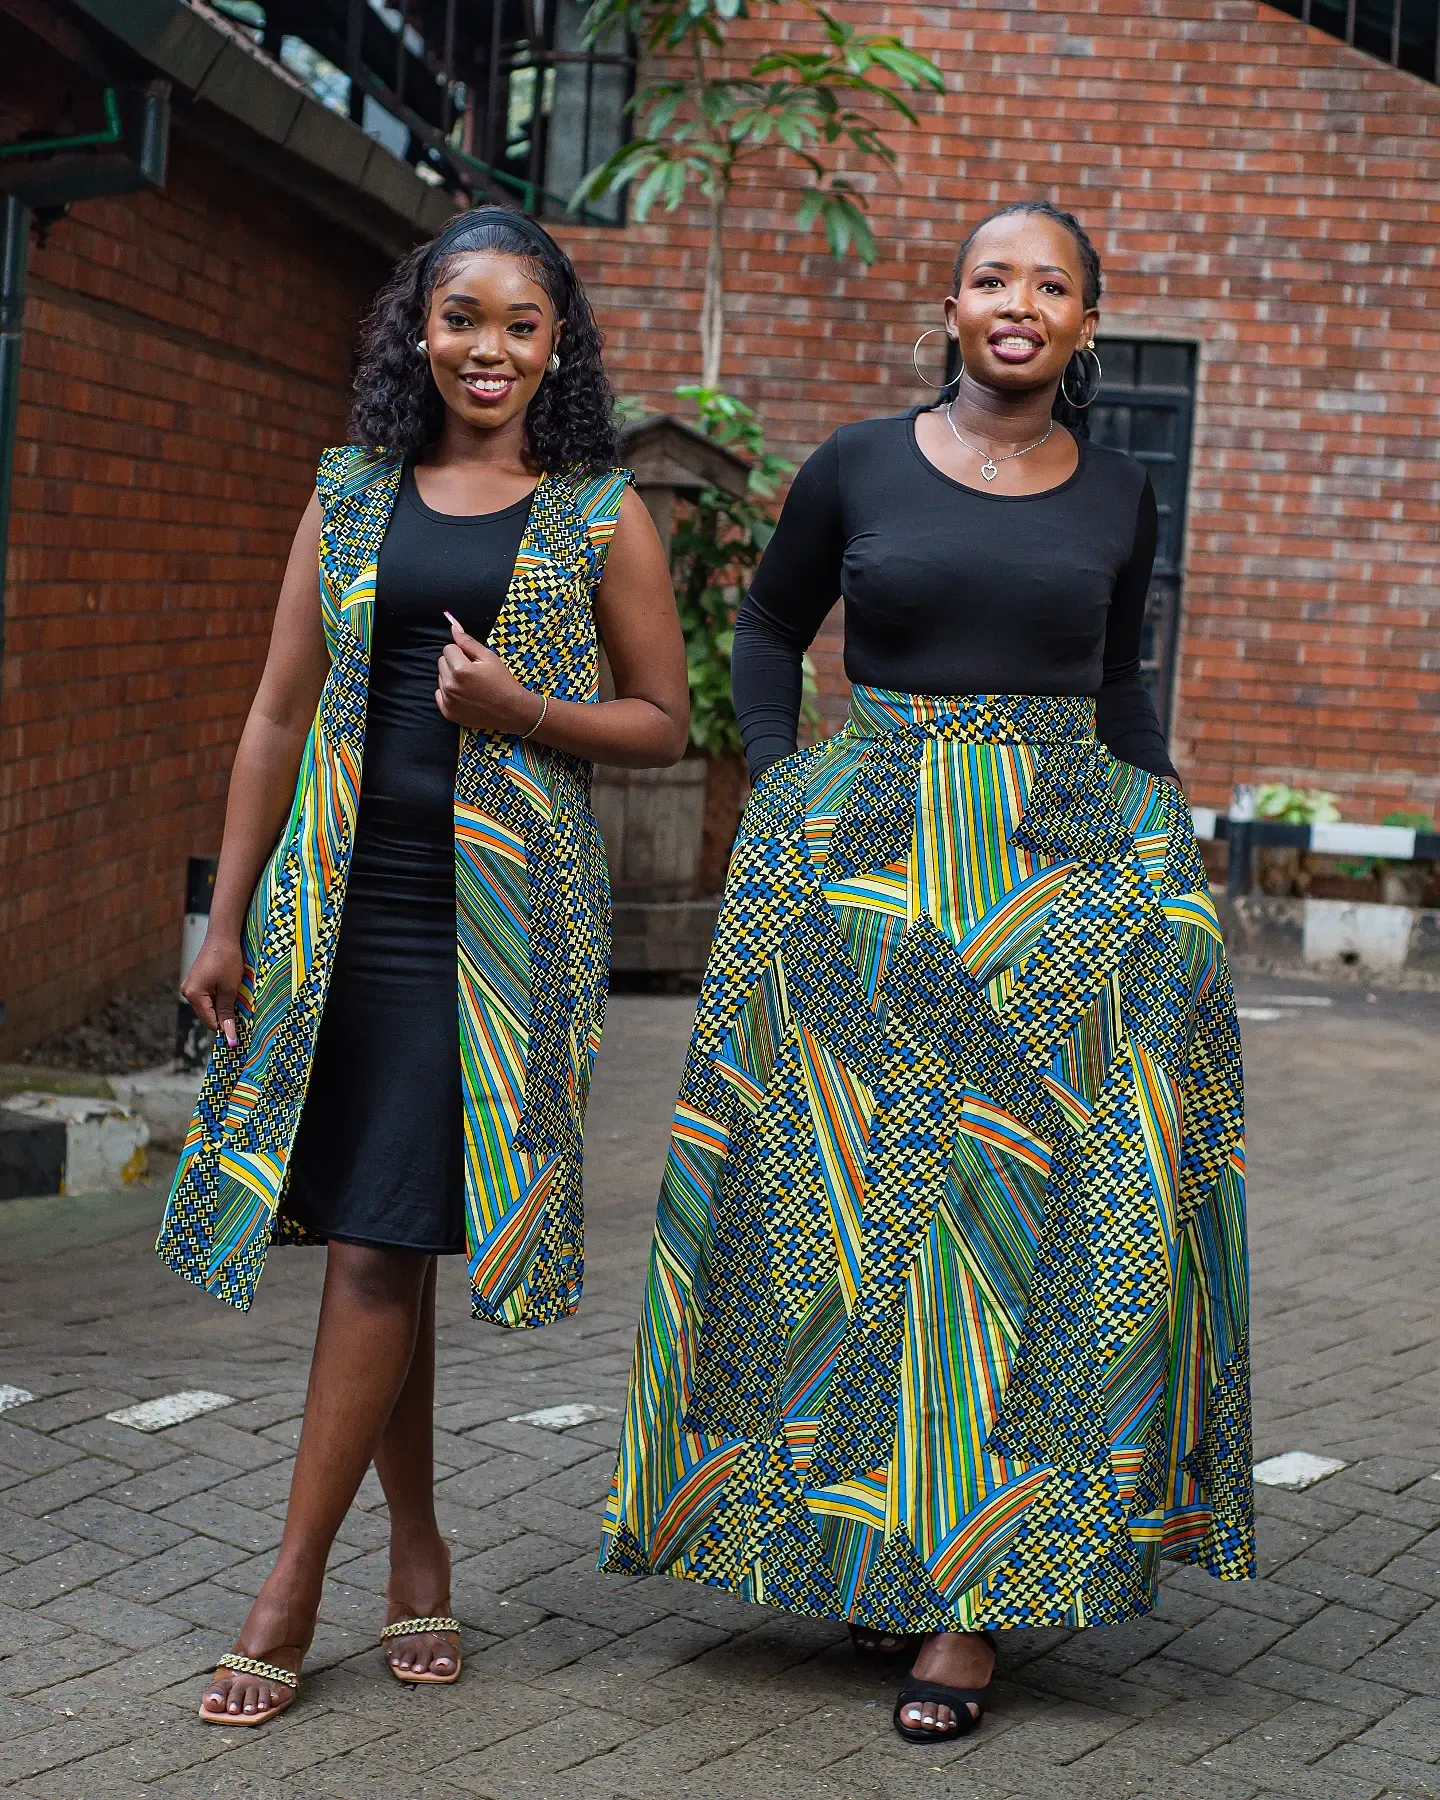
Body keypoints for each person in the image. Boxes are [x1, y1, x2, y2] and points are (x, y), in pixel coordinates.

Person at [601, 201, 1253, 1743]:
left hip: (1058, 867)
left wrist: (1167, 850)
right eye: (990, 279)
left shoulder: (1122, 493)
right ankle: (871, 1537)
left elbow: (1118, 687)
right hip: (874, 868)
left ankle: (974, 1605)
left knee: (1022, 1214)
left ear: (1087, 325)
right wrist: (783, 788)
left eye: (1051, 285)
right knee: (852, 1204)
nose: (1017, 304)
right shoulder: (858, 465)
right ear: (952, 309)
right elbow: (769, 631)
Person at [159, 207, 688, 1725]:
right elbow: (277, 712)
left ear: (558, 346)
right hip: (338, 914)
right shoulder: (347, 493)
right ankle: (419, 1551)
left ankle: (288, 1588)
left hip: (500, 932)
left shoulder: (599, 515)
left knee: (379, 1246)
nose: (489, 349)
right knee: (377, 1237)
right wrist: (224, 917)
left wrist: (526, 711)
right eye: (463, 318)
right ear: (420, 329)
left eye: (522, 323)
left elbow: (663, 721)